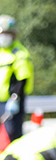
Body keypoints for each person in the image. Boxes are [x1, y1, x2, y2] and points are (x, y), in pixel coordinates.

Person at [0, 15, 35, 144]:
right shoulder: (1, 51)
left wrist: (15, 98)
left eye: (7, 33)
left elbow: (22, 78)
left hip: (11, 101)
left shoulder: (19, 53)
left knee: (12, 133)